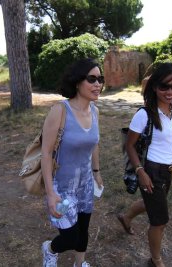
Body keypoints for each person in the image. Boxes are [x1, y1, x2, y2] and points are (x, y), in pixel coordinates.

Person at [40, 58, 104, 267]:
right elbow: (46, 152)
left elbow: (94, 144)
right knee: (70, 237)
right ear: (77, 82)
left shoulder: (94, 111)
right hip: (62, 186)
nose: (98, 84)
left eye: (100, 79)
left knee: (83, 230)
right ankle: (50, 249)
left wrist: (96, 171)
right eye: (91, 79)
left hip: (84, 184)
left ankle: (80, 263)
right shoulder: (60, 111)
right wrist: (50, 193)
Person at [122, 62, 172, 267]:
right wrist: (141, 172)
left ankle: (125, 217)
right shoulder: (144, 114)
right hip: (151, 170)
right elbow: (129, 145)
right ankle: (155, 260)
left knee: (153, 204)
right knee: (159, 221)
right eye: (164, 86)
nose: (170, 91)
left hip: (168, 169)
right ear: (154, 87)